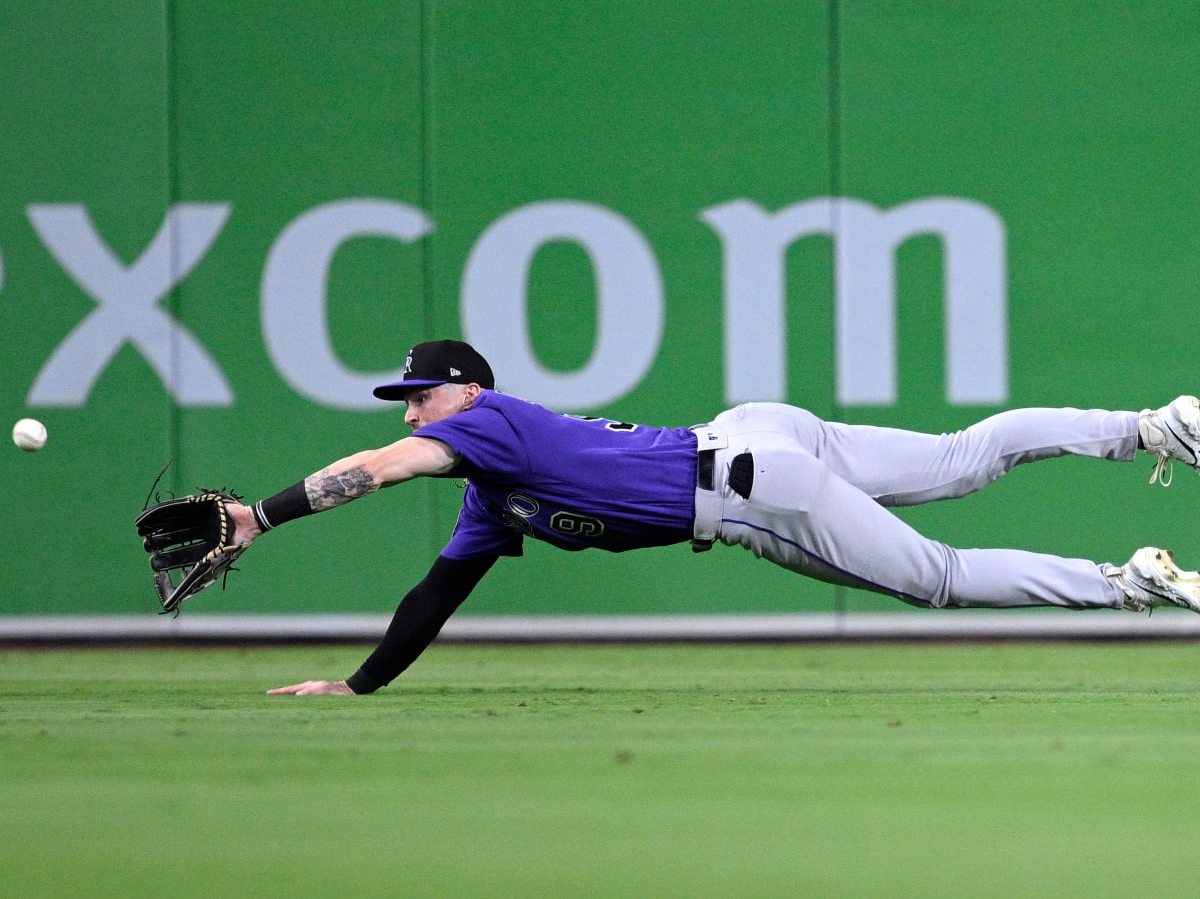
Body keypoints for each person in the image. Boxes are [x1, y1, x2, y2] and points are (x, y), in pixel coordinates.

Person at [230, 339, 1200, 696]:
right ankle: (1155, 427)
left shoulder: (487, 427)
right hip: (749, 435)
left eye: (421, 396)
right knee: (958, 459)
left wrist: (259, 520)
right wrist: (359, 686)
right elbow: (436, 591)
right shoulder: (494, 490)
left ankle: (1127, 582)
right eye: (406, 399)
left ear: (468, 393)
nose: (411, 412)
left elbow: (378, 467)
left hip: (747, 490)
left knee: (937, 576)